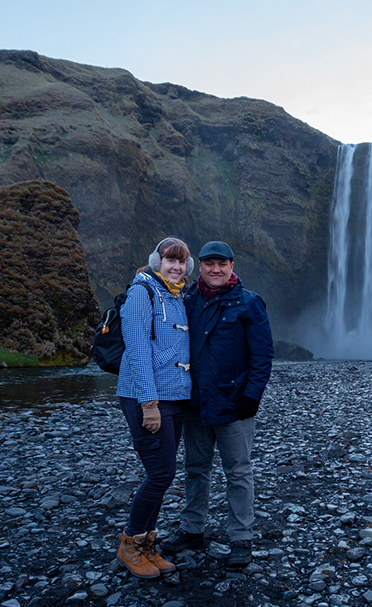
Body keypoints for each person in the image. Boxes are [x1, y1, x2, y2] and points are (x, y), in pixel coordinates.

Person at [161, 241, 274, 568]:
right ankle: (193, 529)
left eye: (221, 264)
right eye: (209, 263)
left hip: (234, 403)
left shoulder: (249, 303)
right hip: (195, 402)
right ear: (200, 265)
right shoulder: (185, 300)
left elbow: (263, 354)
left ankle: (241, 537)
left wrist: (253, 395)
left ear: (231, 265)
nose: (215, 269)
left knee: (238, 471)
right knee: (195, 469)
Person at [114, 237, 193, 579]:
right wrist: (148, 403)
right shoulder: (140, 294)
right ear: (157, 261)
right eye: (169, 260)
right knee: (161, 474)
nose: (176, 266)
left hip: (175, 398)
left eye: (181, 262)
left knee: (162, 475)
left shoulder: (177, 296)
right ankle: (129, 545)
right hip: (145, 398)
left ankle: (147, 544)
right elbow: (137, 353)